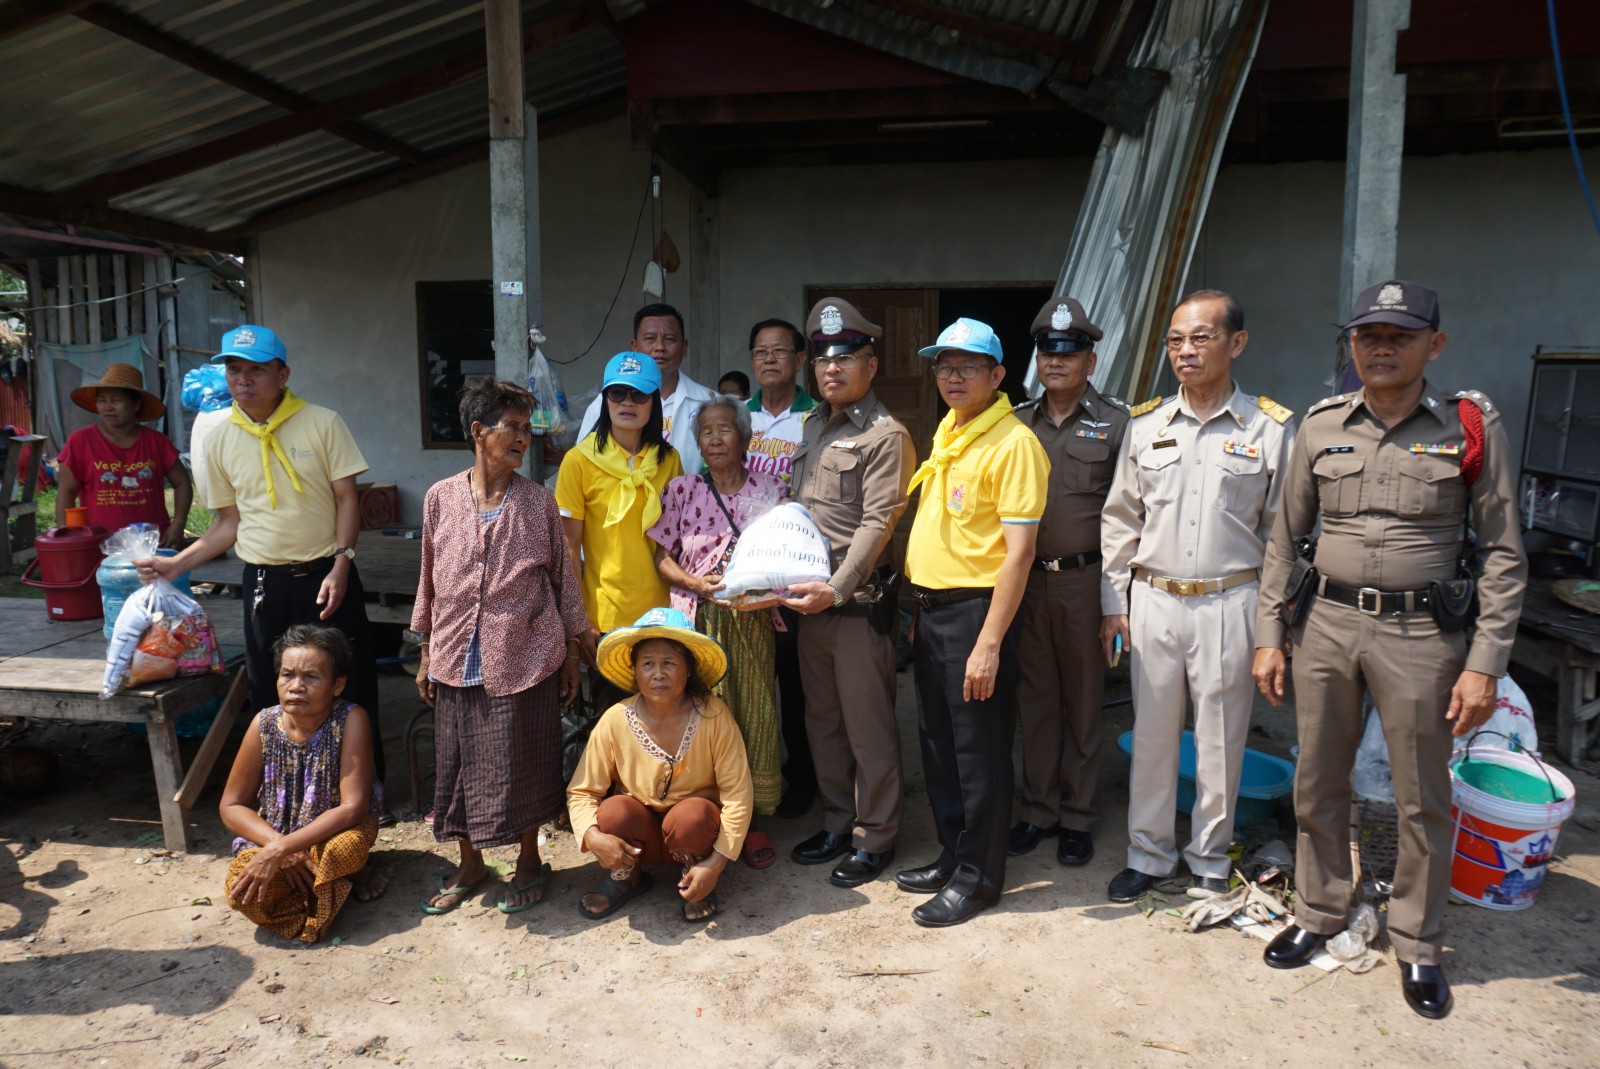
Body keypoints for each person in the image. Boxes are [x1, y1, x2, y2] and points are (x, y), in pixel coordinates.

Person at [1252, 280, 1526, 1019]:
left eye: (1399, 336)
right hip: (1327, 626)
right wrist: (1270, 634)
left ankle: (1418, 941)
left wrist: (1485, 663)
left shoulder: (1468, 426)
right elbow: (1284, 539)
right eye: (1368, 334)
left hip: (1422, 636)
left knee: (1420, 795)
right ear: (1351, 344)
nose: (1381, 347)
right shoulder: (1321, 425)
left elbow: (1503, 553)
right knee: (1318, 780)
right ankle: (1317, 910)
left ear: (1434, 345)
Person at [140, 325, 388, 829]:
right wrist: (176, 564)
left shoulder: (322, 422)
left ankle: (365, 799)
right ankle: (288, 801)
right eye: (235, 369)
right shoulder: (219, 438)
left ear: (282, 375)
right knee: (272, 692)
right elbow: (226, 524)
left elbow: (347, 499)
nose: (243, 380)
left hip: (327, 573)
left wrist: (342, 562)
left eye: (256, 370)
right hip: (263, 582)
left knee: (349, 683)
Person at [1100, 290, 1295, 905]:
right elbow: (1120, 519)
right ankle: (1148, 854)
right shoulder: (1146, 425)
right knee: (1153, 735)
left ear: (1236, 343)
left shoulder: (1269, 429)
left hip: (1230, 601)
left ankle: (1209, 857)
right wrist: (1114, 602)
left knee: (1220, 738)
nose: (1185, 350)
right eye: (1176, 340)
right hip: (1154, 599)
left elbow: (1283, 536)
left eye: (1200, 337)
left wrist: (1273, 628)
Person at [412, 381, 589, 915]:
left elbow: (564, 582)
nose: (522, 439)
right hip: (453, 653)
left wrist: (572, 653)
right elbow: (428, 579)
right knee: (458, 764)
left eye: (526, 429)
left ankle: (530, 861)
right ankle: (470, 864)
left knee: (525, 761)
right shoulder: (440, 498)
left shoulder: (538, 503)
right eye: (511, 427)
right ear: (478, 431)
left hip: (525, 654)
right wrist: (425, 651)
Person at [895, 317, 1049, 927]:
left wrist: (989, 643)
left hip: (975, 615)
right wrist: (917, 608)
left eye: (967, 367)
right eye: (944, 366)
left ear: (997, 375)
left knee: (978, 749)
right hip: (932, 610)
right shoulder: (952, 429)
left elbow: (1020, 553)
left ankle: (980, 877)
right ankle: (954, 853)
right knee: (938, 744)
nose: (952, 377)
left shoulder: (1013, 444)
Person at [783, 298, 916, 890]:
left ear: (871, 365)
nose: (831, 369)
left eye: (846, 358)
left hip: (855, 605)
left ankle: (876, 835)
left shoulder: (886, 436)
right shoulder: (813, 426)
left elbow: (877, 523)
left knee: (868, 726)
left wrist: (835, 592)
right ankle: (838, 821)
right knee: (824, 721)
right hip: (809, 603)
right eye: (822, 359)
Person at [1008, 297, 1129, 866]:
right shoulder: (1015, 423)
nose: (1055, 362)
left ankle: (1078, 814)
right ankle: (1039, 809)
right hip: (1027, 581)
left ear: (1090, 360)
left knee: (1083, 700)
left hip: (1085, 581)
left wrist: (1115, 601)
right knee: (1035, 700)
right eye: (1047, 352)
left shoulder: (1119, 423)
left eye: (1069, 352)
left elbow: (1130, 515)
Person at [647, 395, 786, 866]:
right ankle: (709, 818)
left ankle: (752, 820)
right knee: (704, 716)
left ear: (745, 438)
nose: (715, 438)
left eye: (724, 429)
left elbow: (788, 555)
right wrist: (693, 582)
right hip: (697, 619)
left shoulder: (770, 489)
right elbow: (662, 557)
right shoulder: (683, 489)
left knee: (755, 713)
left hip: (752, 619)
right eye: (706, 431)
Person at [567, 608, 753, 923]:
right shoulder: (616, 719)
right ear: (635, 671)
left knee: (693, 815)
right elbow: (582, 791)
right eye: (648, 664)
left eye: (669, 663)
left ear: (689, 669)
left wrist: (716, 864)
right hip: (641, 838)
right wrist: (593, 836)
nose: (658, 674)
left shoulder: (714, 715)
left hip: (692, 835)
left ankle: (696, 875)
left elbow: (738, 795)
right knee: (614, 811)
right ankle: (627, 876)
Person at [220, 625, 383, 943]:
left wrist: (283, 849)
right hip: (274, 835)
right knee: (241, 892)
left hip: (332, 834)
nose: (296, 686)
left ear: (337, 684)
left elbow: (353, 807)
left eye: (311, 677)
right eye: (287, 675)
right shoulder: (263, 723)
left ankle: (343, 876)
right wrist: (278, 846)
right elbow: (231, 805)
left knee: (344, 850)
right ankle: (324, 889)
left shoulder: (351, 719)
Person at [557, 351, 684, 713]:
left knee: (663, 717)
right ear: (605, 399)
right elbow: (569, 547)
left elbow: (675, 541)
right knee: (612, 721)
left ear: (654, 402)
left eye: (639, 394)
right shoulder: (579, 461)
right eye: (617, 393)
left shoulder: (669, 460)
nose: (627, 402)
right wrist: (579, 621)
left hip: (662, 615)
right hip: (605, 618)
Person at [743, 316, 818, 818]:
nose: (769, 359)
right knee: (750, 679)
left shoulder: (816, 417)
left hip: (795, 566)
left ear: (800, 359)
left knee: (796, 681)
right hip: (746, 567)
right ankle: (749, 779)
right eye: (760, 351)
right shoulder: (736, 416)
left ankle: (803, 779)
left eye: (780, 350)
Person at [55, 362, 192, 545]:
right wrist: (66, 537)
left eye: (116, 400)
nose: (108, 407)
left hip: (152, 544)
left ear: (136, 404)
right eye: (102, 400)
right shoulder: (80, 441)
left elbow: (182, 483)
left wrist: (178, 523)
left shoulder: (157, 442)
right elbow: (66, 491)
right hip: (100, 544)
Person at [575, 304, 717, 475]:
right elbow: (583, 462)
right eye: (650, 338)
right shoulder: (605, 404)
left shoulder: (711, 403)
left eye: (669, 339)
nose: (659, 347)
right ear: (634, 347)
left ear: (684, 347)